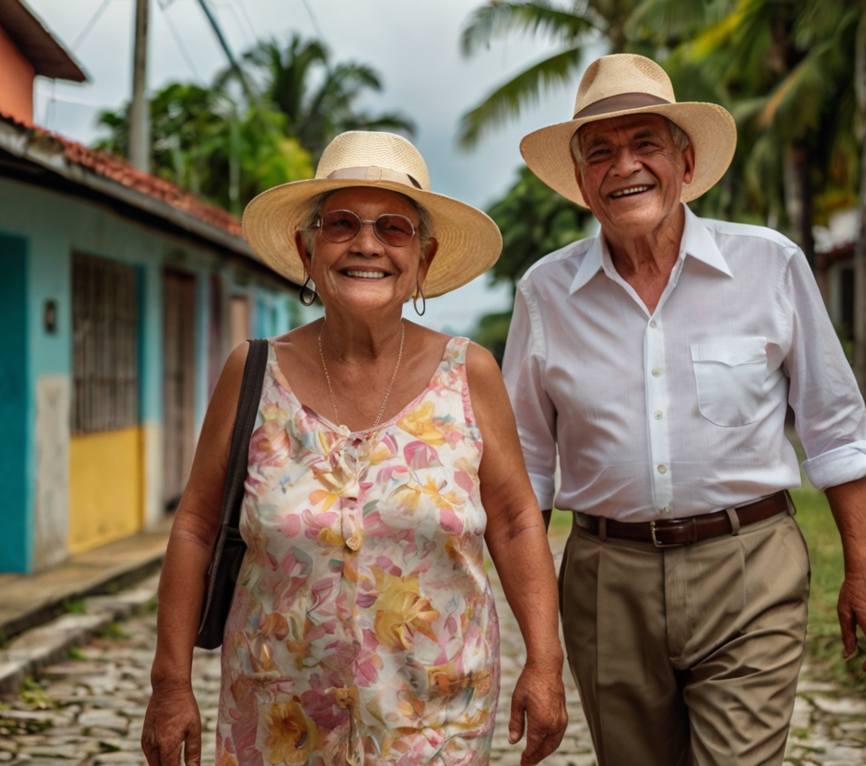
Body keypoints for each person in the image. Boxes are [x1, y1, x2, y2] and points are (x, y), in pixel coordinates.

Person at [503, 53, 866, 765]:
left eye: (645, 144)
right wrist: (539, 650)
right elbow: (523, 478)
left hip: (749, 565)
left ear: (685, 162)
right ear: (583, 180)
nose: (625, 166)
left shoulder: (770, 265)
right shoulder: (544, 293)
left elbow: (833, 426)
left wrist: (865, 569)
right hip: (605, 577)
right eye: (601, 152)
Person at [142, 131, 567, 766]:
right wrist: (170, 685)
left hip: (434, 721)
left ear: (423, 258)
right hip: (278, 721)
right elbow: (198, 527)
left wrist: (546, 661)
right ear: (306, 249)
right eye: (341, 224)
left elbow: (513, 520)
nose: (366, 244)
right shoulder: (254, 372)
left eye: (393, 229)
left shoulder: (469, 373)